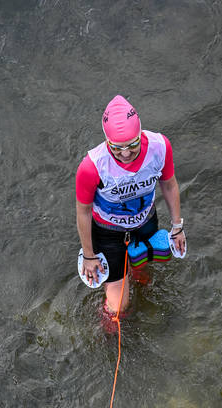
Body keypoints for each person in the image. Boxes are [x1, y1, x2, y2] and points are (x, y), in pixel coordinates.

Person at [76, 95, 187, 314]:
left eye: (132, 145)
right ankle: (107, 337)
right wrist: (89, 256)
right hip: (108, 232)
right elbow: (83, 211)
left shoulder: (160, 147)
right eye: (116, 148)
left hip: (145, 221)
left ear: (140, 134)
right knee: (118, 309)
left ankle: (141, 286)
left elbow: (169, 185)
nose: (125, 154)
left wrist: (177, 227)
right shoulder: (92, 167)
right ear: (107, 141)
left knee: (144, 276)